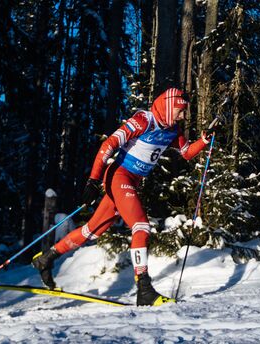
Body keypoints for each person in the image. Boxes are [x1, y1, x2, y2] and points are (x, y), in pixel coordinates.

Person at [32, 88, 212, 306]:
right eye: (179, 111)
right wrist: (93, 180)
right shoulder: (144, 120)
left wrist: (203, 139)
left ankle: (46, 259)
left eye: (184, 112)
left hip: (131, 181)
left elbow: (186, 153)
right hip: (118, 176)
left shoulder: (172, 130)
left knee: (92, 230)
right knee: (141, 227)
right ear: (167, 106)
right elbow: (109, 144)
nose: (183, 116)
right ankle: (144, 289)